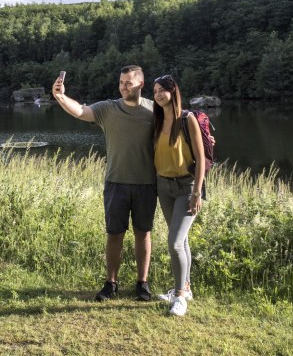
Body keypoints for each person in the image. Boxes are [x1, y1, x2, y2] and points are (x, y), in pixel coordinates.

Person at [52, 65, 157, 302]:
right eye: (120, 82)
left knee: (143, 233)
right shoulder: (108, 108)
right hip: (115, 183)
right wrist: (60, 96)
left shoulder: (154, 109)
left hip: (147, 183)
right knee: (114, 234)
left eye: (128, 83)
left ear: (141, 84)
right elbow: (80, 111)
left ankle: (142, 284)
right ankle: (111, 283)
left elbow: (177, 123)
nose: (122, 87)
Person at [152, 74, 205, 317]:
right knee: (181, 241)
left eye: (163, 90)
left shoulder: (187, 119)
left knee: (174, 243)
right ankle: (186, 287)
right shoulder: (157, 120)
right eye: (154, 91)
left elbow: (201, 158)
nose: (158, 94)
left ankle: (180, 296)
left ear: (173, 92)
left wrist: (197, 192)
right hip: (164, 186)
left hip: (186, 186)